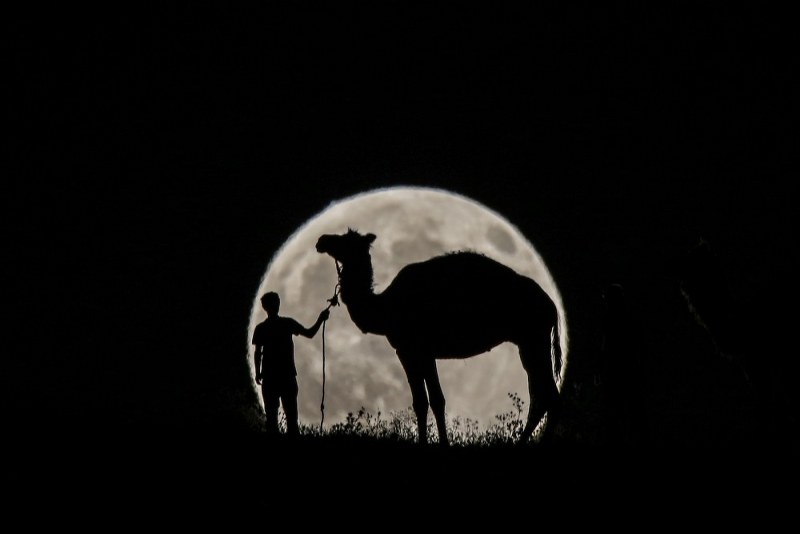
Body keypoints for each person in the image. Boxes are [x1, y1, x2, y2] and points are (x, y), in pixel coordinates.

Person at [252, 291, 329, 437]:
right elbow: (310, 333)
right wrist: (320, 319)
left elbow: (257, 352)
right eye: (275, 302)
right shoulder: (286, 323)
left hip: (272, 377)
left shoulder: (262, 328)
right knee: (289, 420)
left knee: (273, 420)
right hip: (284, 377)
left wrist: (258, 372)